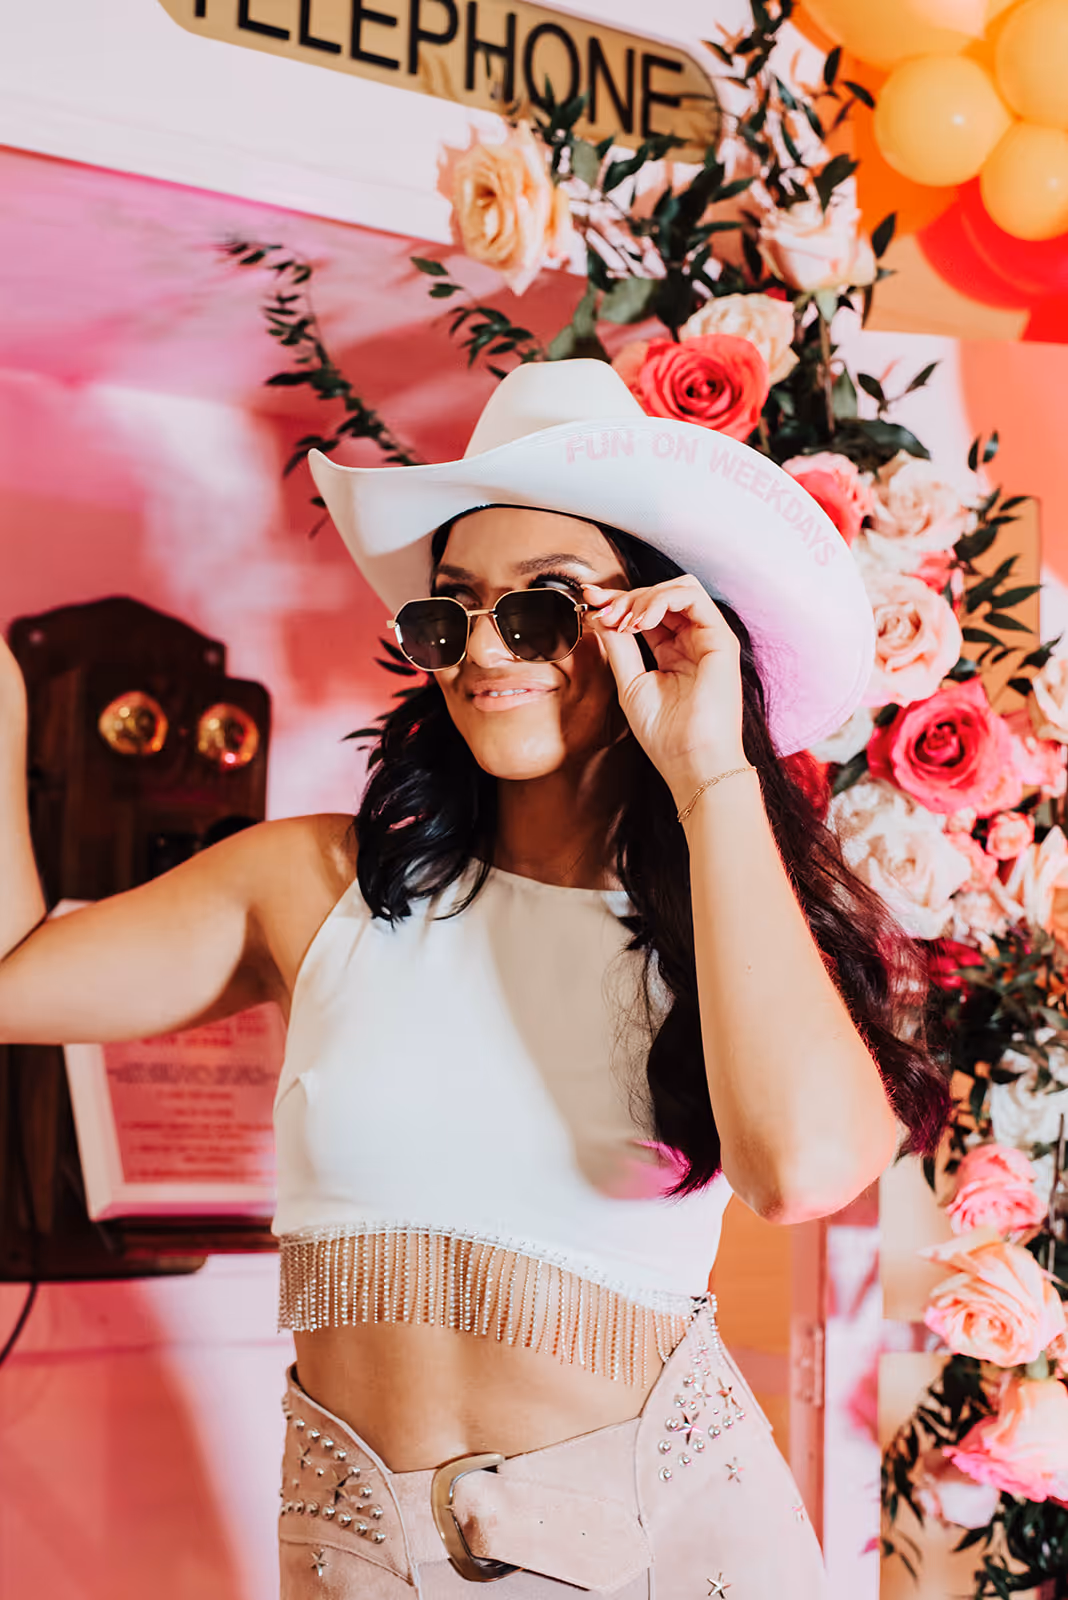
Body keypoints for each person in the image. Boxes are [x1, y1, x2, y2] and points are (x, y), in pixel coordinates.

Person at [0, 360, 950, 1597]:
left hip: (663, 1557)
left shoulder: (727, 924)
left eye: (544, 609)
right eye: (450, 616)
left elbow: (805, 1169)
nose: (485, 651)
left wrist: (711, 772)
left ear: (660, 624)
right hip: (358, 1561)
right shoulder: (316, 886)